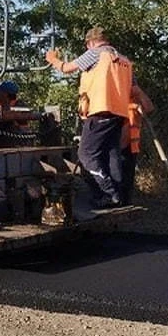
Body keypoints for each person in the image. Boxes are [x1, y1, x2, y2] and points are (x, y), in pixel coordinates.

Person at [45, 26, 134, 209]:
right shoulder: (123, 60)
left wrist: (52, 59)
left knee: (85, 155)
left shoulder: (96, 53)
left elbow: (67, 68)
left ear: (90, 42)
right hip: (119, 114)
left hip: (100, 111)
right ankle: (119, 198)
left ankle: (110, 194)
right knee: (112, 156)